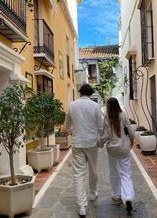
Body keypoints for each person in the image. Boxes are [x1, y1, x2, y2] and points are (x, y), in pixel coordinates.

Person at [65, 83, 104, 217]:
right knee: (93, 168)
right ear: (91, 93)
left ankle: (82, 205)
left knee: (78, 173)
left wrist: (72, 132)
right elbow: (100, 126)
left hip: (77, 143)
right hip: (91, 142)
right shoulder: (95, 106)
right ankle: (92, 193)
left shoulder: (72, 105)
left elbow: (67, 126)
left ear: (80, 92)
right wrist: (99, 137)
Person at [99, 97, 135, 213]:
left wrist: (100, 143)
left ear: (108, 107)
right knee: (126, 174)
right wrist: (132, 141)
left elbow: (105, 135)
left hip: (112, 150)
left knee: (114, 172)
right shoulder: (123, 115)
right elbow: (130, 130)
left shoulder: (107, 118)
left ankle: (117, 195)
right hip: (124, 148)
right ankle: (128, 197)